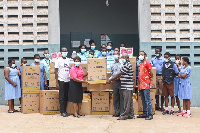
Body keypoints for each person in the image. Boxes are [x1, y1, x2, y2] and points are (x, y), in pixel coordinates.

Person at [107, 53, 134, 120]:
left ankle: (124, 115)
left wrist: (110, 80)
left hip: (127, 86)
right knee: (129, 101)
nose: (121, 59)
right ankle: (131, 114)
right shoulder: (125, 64)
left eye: (122, 57)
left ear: (126, 58)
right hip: (126, 85)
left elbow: (119, 74)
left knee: (126, 101)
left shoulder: (127, 65)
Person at [137, 51, 154, 120]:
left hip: (146, 84)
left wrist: (150, 79)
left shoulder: (147, 62)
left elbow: (151, 72)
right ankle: (144, 113)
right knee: (143, 99)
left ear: (145, 55)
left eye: (142, 55)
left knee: (148, 99)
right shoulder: (140, 64)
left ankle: (150, 114)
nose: (140, 56)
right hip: (141, 84)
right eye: (139, 55)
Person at [55, 47, 70, 117]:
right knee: (62, 96)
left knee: (66, 96)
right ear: (61, 52)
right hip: (61, 80)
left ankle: (65, 110)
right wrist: (57, 82)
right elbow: (56, 72)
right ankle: (62, 111)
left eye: (65, 51)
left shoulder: (69, 60)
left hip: (68, 80)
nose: (64, 52)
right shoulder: (58, 60)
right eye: (63, 51)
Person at [109, 51, 124, 117]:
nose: (115, 55)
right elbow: (112, 74)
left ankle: (121, 112)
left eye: (116, 54)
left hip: (121, 81)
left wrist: (119, 77)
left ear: (119, 55)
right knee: (115, 97)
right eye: (114, 54)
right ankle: (116, 112)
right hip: (114, 82)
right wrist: (110, 79)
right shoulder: (112, 64)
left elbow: (124, 72)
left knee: (121, 97)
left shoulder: (122, 63)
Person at [150, 47, 165, 111]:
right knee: (155, 92)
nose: (157, 53)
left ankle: (162, 106)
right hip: (155, 76)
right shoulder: (153, 59)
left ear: (160, 52)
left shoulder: (163, 60)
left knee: (161, 92)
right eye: (156, 52)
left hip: (161, 76)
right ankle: (157, 105)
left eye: (158, 51)